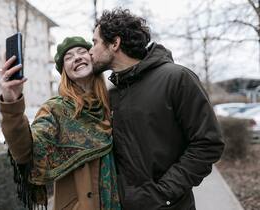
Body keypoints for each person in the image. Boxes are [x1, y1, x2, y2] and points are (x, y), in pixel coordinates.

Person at [89, 8, 225, 210]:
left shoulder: (177, 78)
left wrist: (162, 194)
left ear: (115, 43)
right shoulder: (112, 94)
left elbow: (208, 143)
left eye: (95, 42)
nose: (90, 50)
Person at [0, 36, 121, 210]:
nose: (77, 57)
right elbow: (25, 151)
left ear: (93, 59)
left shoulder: (113, 102)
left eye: (82, 52)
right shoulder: (55, 109)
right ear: (65, 72)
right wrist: (12, 102)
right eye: (68, 57)